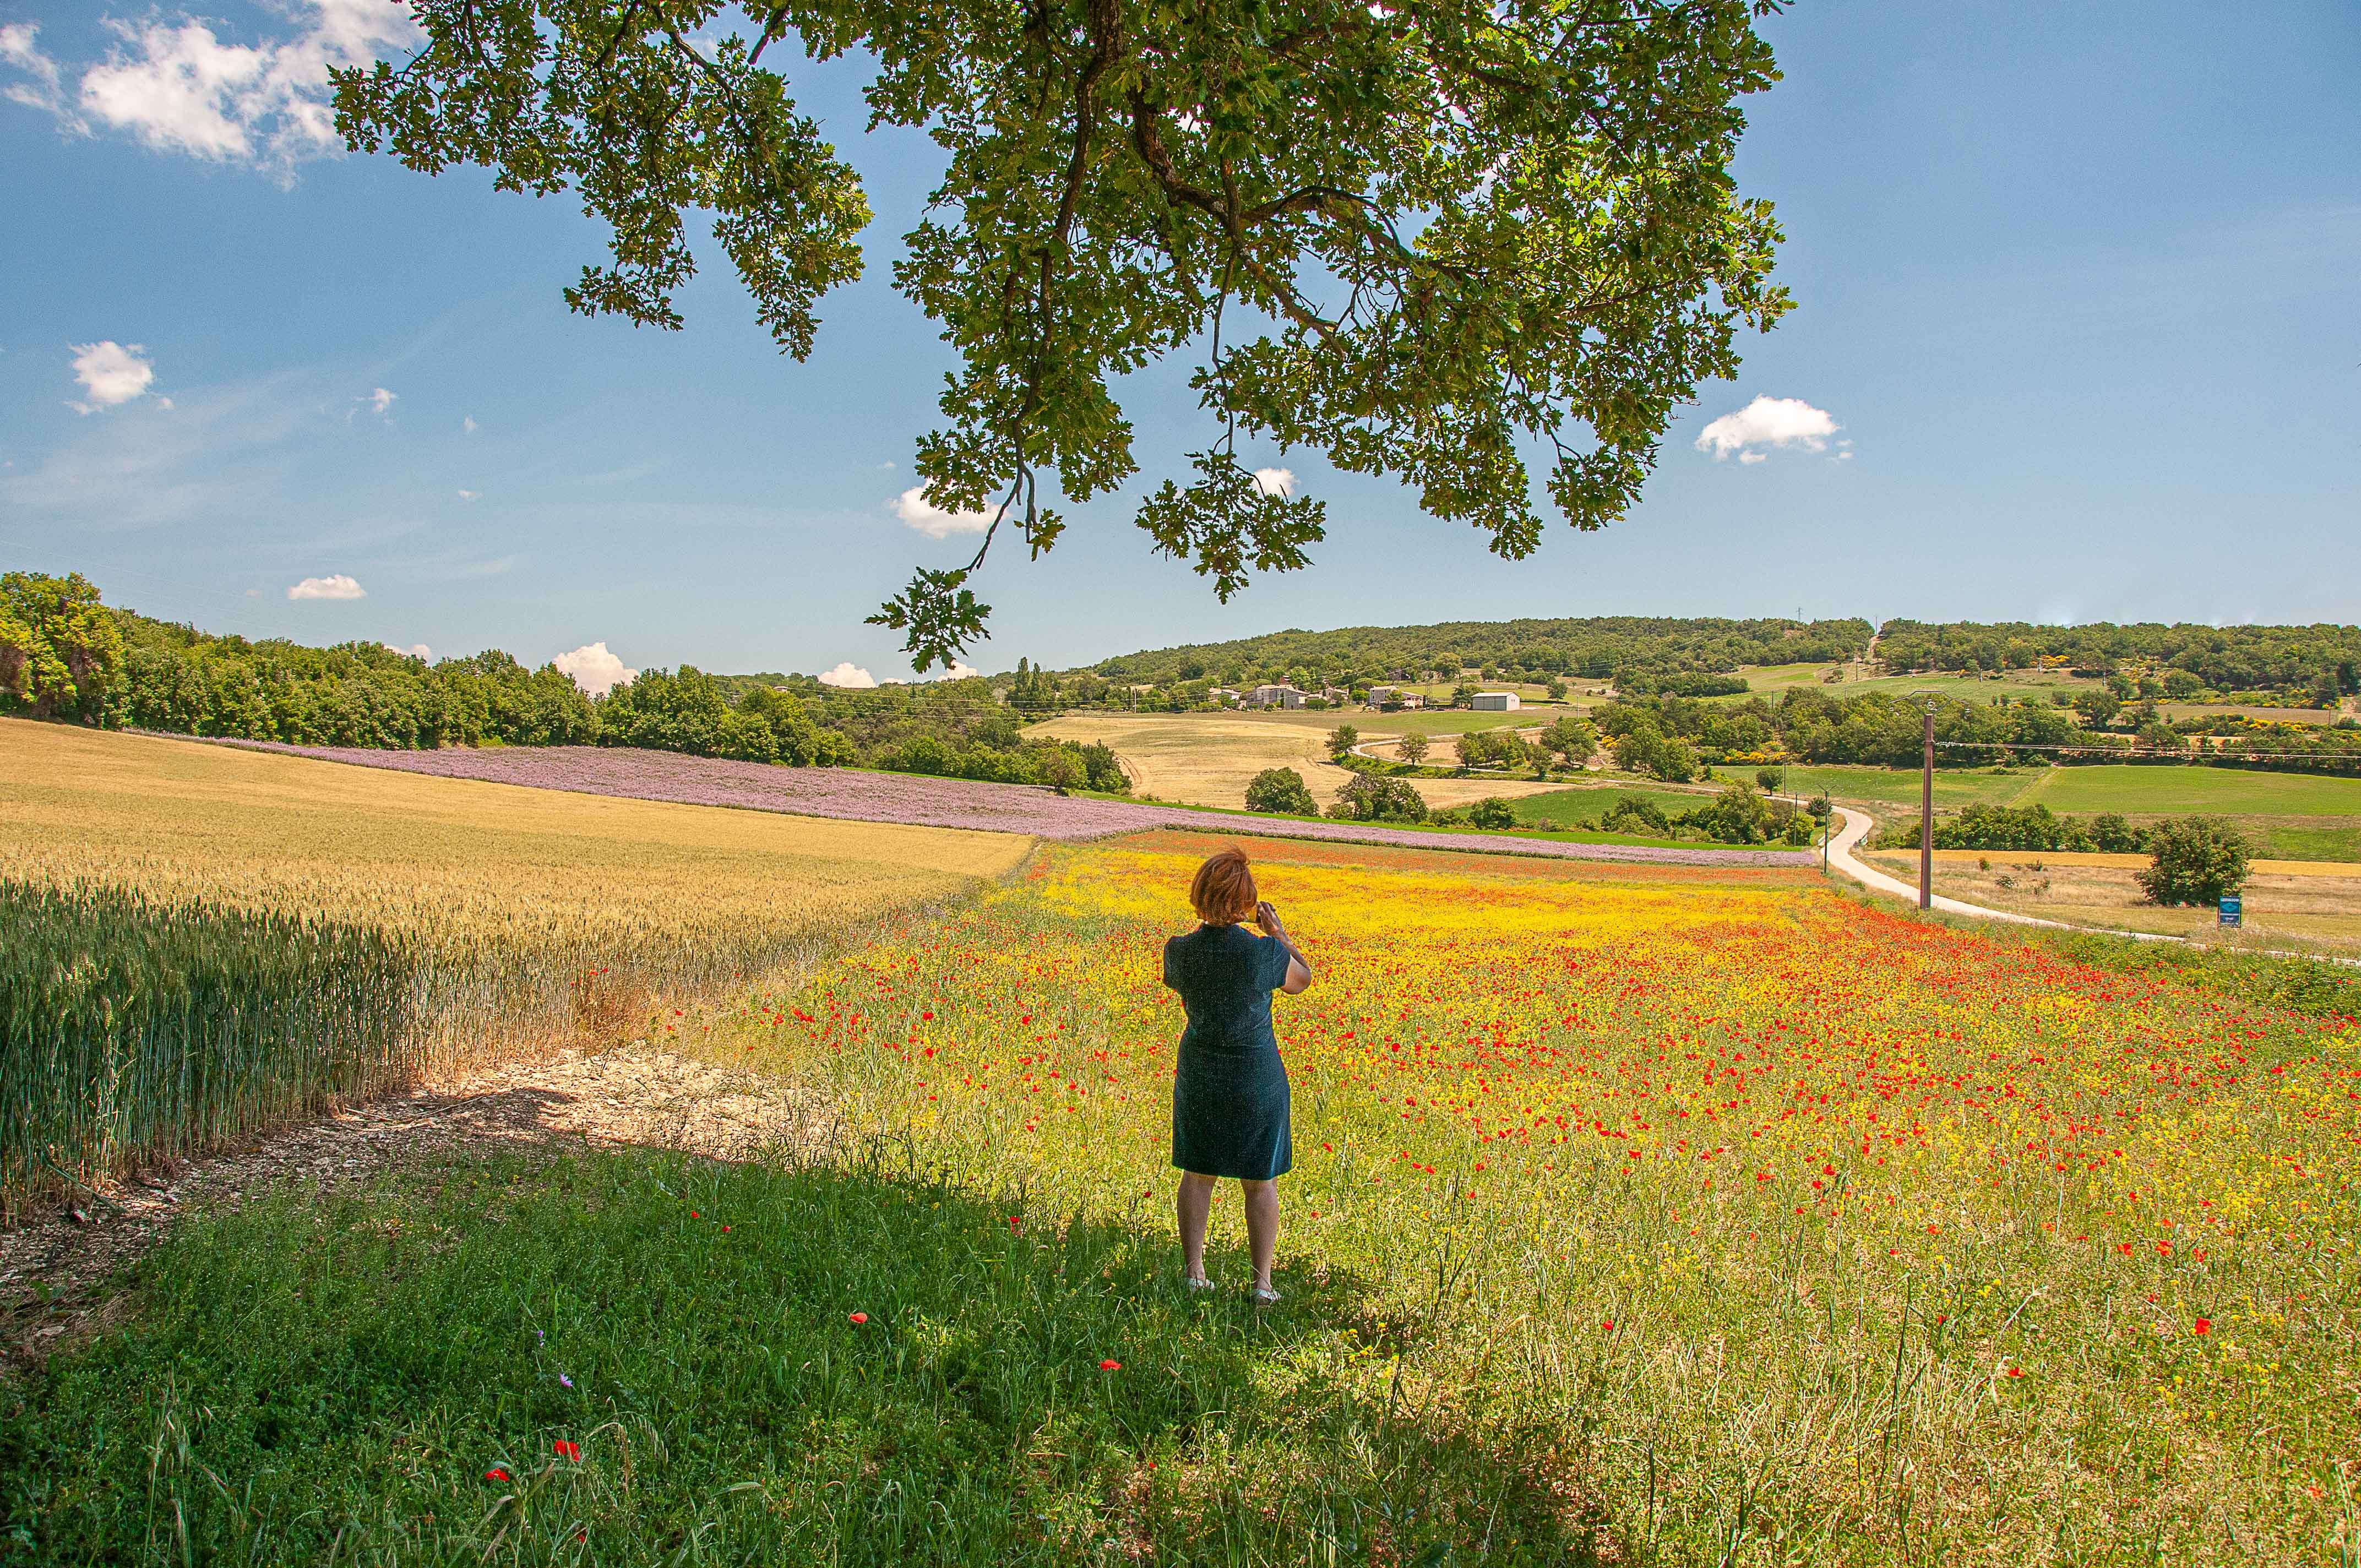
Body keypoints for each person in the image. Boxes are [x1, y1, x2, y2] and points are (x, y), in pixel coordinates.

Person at [1162, 846, 1313, 1304]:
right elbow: (1302, 980)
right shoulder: (1263, 953)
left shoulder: (1179, 951)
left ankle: (1194, 1272)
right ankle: (1262, 1283)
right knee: (1259, 1180)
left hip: (1201, 1070)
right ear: (1246, 902)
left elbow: (1183, 979)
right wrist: (1279, 934)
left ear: (1199, 895)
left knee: (1197, 1173)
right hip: (1255, 1072)